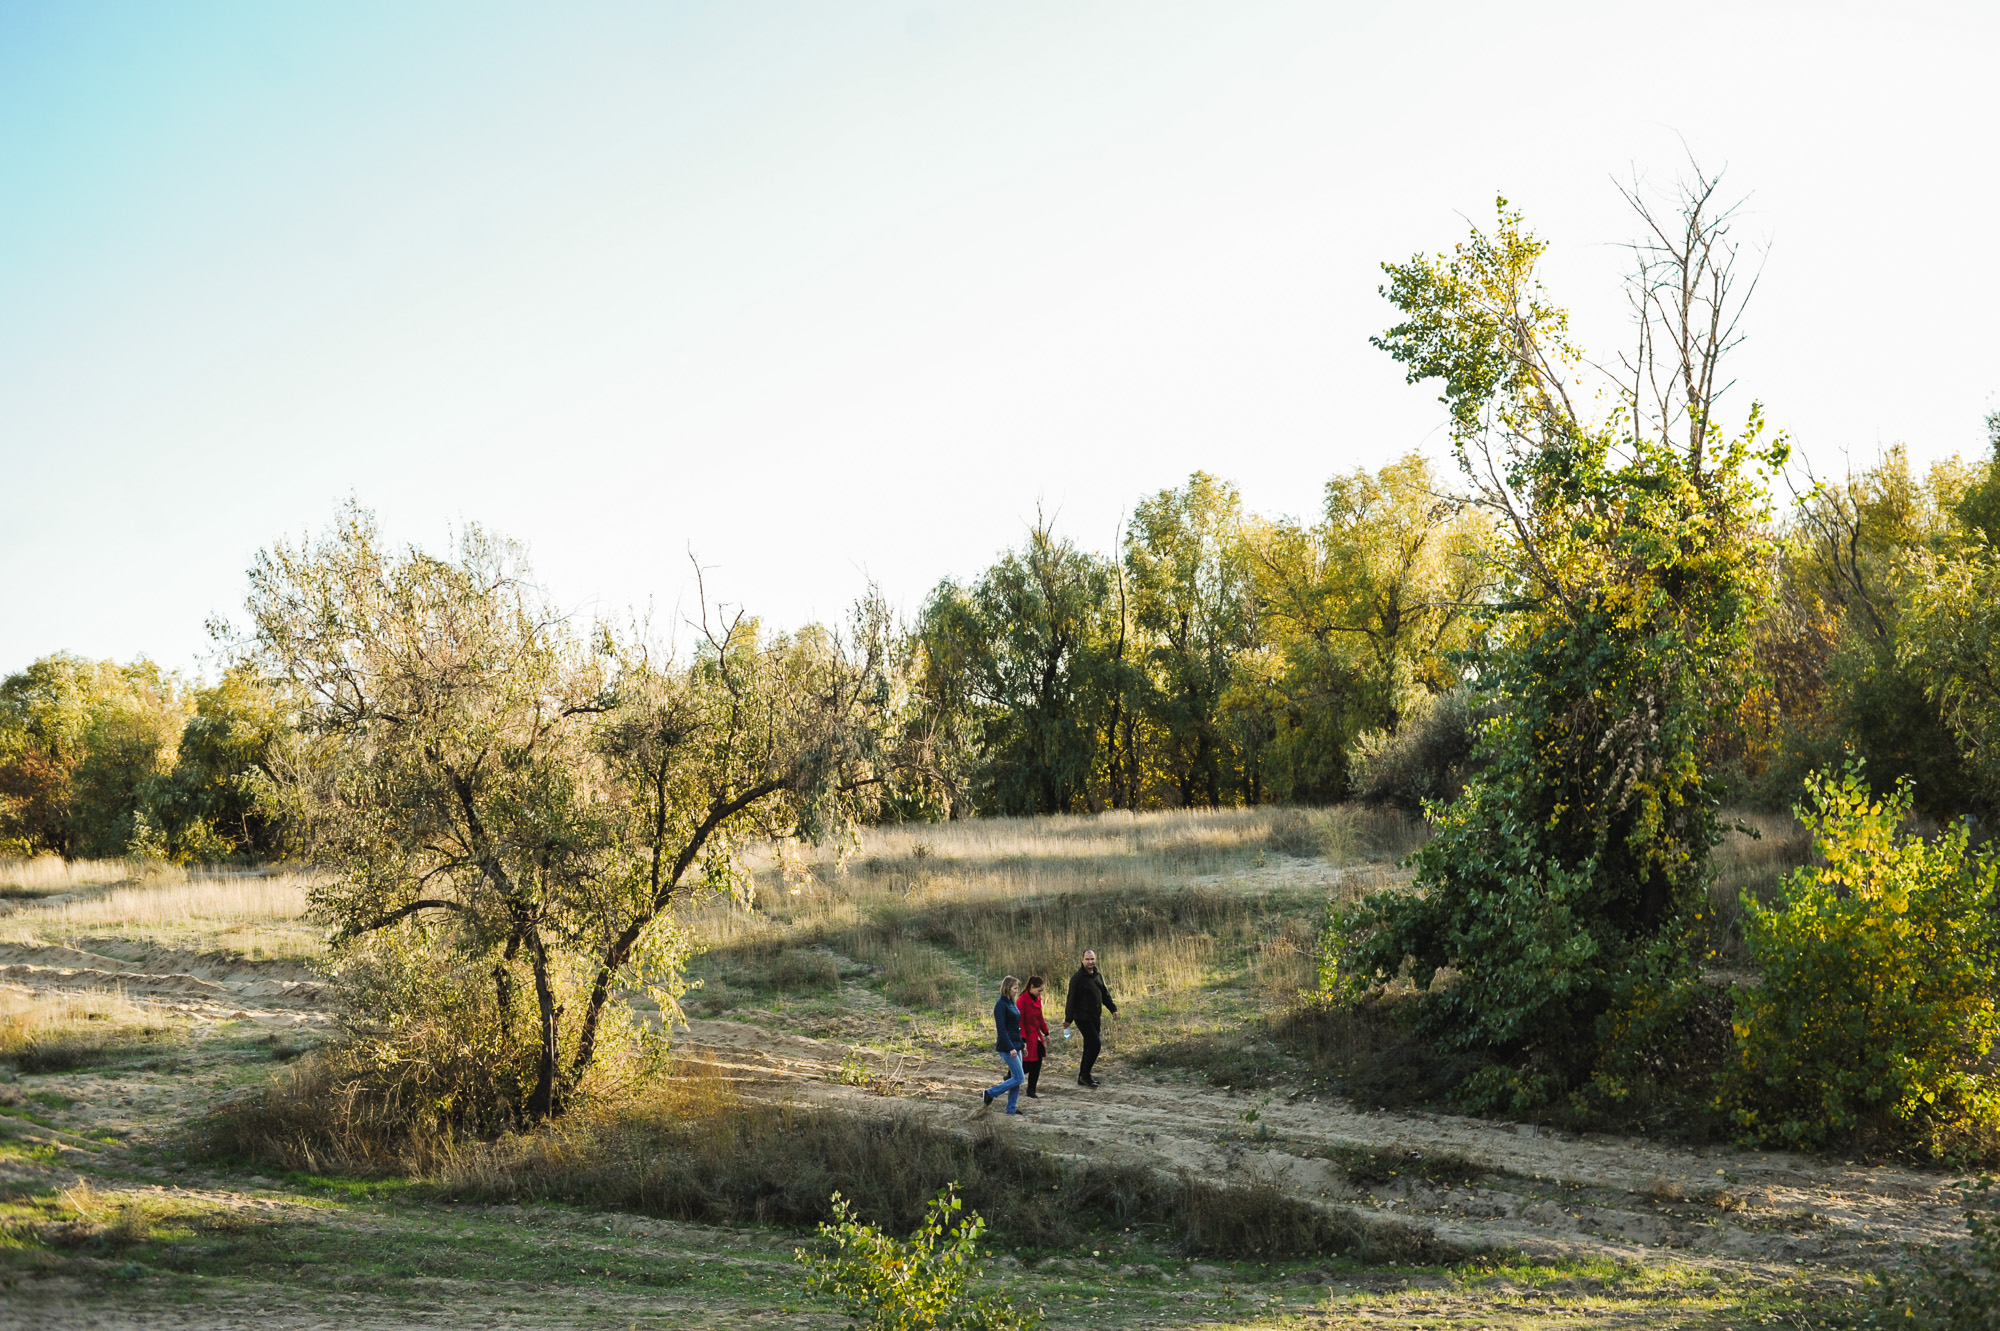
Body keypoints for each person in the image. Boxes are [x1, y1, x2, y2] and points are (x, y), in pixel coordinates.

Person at [1062, 949, 1117, 1087]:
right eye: (1087, 959)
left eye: (1092, 959)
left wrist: (1113, 1009)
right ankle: (1085, 1075)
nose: (1090, 962)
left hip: (1095, 1016)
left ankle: (1083, 1077)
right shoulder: (1077, 978)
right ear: (1082, 960)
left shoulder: (1097, 975)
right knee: (1095, 1044)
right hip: (1082, 1017)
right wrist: (1068, 1019)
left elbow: (1104, 993)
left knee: (1089, 1046)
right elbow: (1071, 999)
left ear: (1095, 959)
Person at [984, 975, 1027, 1114]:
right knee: (1019, 1077)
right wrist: (1011, 1048)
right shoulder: (1000, 1005)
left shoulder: (1011, 1003)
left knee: (1016, 1078)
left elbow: (1016, 1027)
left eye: (1017, 988)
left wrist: (1022, 1045)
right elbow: (1002, 1030)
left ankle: (1011, 1109)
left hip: (1016, 1045)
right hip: (1007, 1047)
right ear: (1007, 988)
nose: (1017, 990)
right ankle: (990, 1093)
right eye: (1015, 988)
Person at [1017, 975, 1050, 1098]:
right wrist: (1023, 1039)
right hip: (1027, 1036)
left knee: (1037, 1063)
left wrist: (1046, 1033)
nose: (1040, 993)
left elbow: (1040, 1017)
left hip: (1036, 1036)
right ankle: (1010, 1076)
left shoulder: (1037, 999)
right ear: (1032, 987)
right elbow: (1020, 1022)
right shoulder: (1022, 1000)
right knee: (1026, 1065)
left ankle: (1031, 1090)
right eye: (1039, 990)